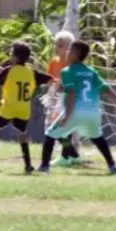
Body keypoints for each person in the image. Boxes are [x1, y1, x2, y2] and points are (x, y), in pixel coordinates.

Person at [39, 40, 116, 175]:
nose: (68, 52)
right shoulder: (91, 71)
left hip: (75, 111)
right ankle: (112, 166)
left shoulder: (67, 71)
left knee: (50, 134)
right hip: (93, 113)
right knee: (98, 138)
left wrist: (67, 115)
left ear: (75, 54)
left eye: (70, 50)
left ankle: (44, 166)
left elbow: (71, 93)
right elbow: (106, 89)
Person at [0, 41, 52, 174]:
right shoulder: (31, 72)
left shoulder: (9, 70)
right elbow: (49, 79)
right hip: (23, 109)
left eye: (11, 53)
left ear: (15, 57)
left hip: (9, 107)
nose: (10, 55)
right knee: (22, 136)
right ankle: (28, 165)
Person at [44, 30, 82, 167]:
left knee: (60, 128)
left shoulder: (74, 63)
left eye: (60, 45)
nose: (56, 48)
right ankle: (72, 155)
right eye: (56, 44)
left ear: (69, 47)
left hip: (72, 98)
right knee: (56, 127)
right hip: (59, 98)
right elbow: (49, 80)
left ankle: (66, 156)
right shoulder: (53, 62)